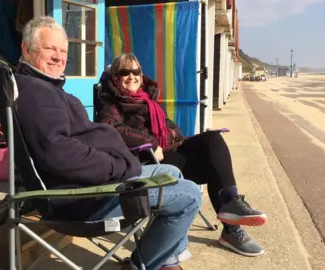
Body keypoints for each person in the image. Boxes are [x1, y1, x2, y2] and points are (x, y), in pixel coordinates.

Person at [15, 17, 201, 270]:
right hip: (81, 200)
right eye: (50, 49)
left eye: (63, 51)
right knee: (189, 195)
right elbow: (60, 154)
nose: (59, 57)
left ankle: (165, 258)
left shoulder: (44, 87)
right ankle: (142, 264)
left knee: (172, 171)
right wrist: (118, 166)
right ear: (27, 49)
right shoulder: (37, 93)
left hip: (92, 185)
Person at [96, 53, 268, 257]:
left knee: (212, 140)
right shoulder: (111, 103)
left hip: (168, 151)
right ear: (115, 76)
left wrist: (163, 138)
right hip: (149, 162)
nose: (131, 76)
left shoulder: (147, 100)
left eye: (136, 72)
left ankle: (231, 203)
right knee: (214, 167)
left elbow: (173, 129)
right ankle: (231, 230)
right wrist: (151, 141)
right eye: (125, 72)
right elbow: (111, 129)